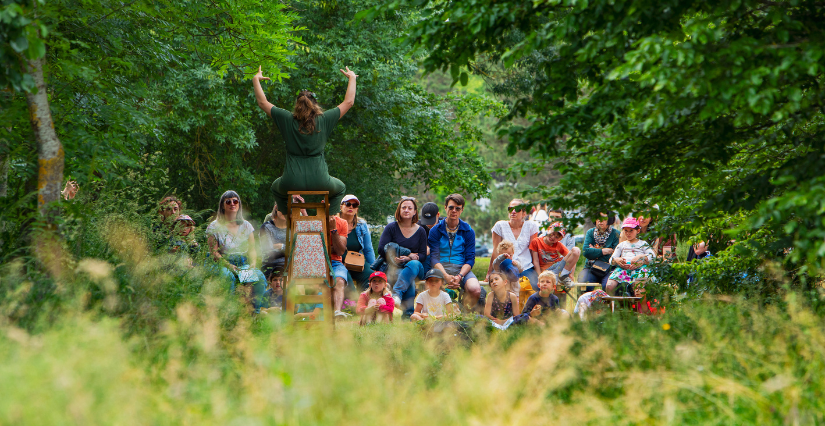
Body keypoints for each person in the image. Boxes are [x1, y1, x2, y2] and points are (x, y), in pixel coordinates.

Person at [252, 65, 357, 215]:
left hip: (291, 180)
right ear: (315, 104)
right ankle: (330, 218)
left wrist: (256, 79)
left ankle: (287, 216)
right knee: (340, 188)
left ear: (297, 105)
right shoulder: (324, 119)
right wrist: (352, 78)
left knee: (276, 187)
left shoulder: (286, 119)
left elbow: (263, 103)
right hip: (320, 179)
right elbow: (349, 102)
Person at [206, 190, 267, 313]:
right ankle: (228, 313)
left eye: (235, 201)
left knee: (260, 278)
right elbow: (214, 252)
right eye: (228, 202)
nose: (232, 204)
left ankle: (254, 312)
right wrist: (228, 265)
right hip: (222, 262)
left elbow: (252, 249)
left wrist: (253, 263)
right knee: (228, 277)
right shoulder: (214, 226)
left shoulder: (246, 226)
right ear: (222, 205)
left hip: (242, 263)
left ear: (239, 204)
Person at [427, 194, 482, 310]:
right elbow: (434, 258)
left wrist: (460, 276)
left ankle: (464, 312)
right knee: (433, 290)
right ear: (445, 207)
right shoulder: (435, 230)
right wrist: (445, 276)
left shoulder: (468, 231)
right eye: (451, 207)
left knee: (475, 290)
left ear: (462, 210)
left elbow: (470, 259)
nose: (454, 211)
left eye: (458, 208)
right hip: (441, 268)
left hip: (461, 269)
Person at [377, 197, 429, 317]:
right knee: (406, 277)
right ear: (399, 210)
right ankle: (408, 314)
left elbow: (422, 255)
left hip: (416, 267)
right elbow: (381, 249)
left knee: (413, 265)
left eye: (410, 208)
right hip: (395, 266)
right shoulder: (391, 228)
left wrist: (409, 258)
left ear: (414, 212)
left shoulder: (421, 231)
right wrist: (406, 253)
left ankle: (397, 294)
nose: (406, 210)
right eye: (403, 207)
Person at [487, 199, 540, 289]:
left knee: (536, 288)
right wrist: (490, 272)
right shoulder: (500, 226)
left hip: (525, 267)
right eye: (510, 209)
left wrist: (538, 274)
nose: (513, 211)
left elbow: (533, 252)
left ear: (524, 213)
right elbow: (495, 251)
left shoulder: (531, 226)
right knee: (504, 289)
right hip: (505, 267)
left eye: (517, 209)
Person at [605, 217, 655, 296]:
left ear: (638, 231)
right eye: (626, 230)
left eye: (631, 230)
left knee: (639, 285)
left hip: (640, 269)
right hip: (623, 269)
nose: (628, 233)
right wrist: (617, 260)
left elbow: (652, 256)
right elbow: (611, 260)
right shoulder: (621, 245)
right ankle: (612, 303)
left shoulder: (643, 243)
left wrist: (641, 257)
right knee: (609, 285)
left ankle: (639, 303)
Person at [336, 194, 376, 289]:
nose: (351, 207)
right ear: (341, 207)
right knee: (347, 283)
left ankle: (365, 298)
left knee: (372, 276)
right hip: (339, 262)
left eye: (354, 205)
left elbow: (368, 249)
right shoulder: (334, 223)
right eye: (348, 204)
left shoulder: (361, 224)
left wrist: (374, 268)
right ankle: (352, 299)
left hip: (355, 262)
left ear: (357, 209)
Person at [529, 222, 581, 287]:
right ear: (549, 229)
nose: (553, 237)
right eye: (552, 233)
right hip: (546, 270)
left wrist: (571, 275)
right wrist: (539, 276)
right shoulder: (536, 241)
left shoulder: (558, 245)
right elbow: (535, 261)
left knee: (576, 250)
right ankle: (556, 278)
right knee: (552, 285)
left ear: (560, 239)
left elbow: (572, 259)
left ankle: (563, 276)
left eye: (556, 237)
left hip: (557, 267)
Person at [579, 212, 620, 291]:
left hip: (609, 269)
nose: (600, 220)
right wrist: (603, 251)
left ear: (609, 219)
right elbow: (586, 252)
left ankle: (606, 300)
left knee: (608, 286)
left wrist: (594, 251)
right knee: (584, 284)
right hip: (590, 267)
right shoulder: (590, 232)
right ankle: (584, 300)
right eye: (598, 218)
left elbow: (614, 256)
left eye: (604, 218)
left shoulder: (616, 234)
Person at [328, 213, 352, 318]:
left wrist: (333, 229)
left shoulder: (342, 222)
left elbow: (340, 251)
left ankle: (337, 312)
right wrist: (332, 247)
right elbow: (314, 248)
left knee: (339, 280)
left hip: (335, 262)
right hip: (317, 260)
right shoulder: (315, 220)